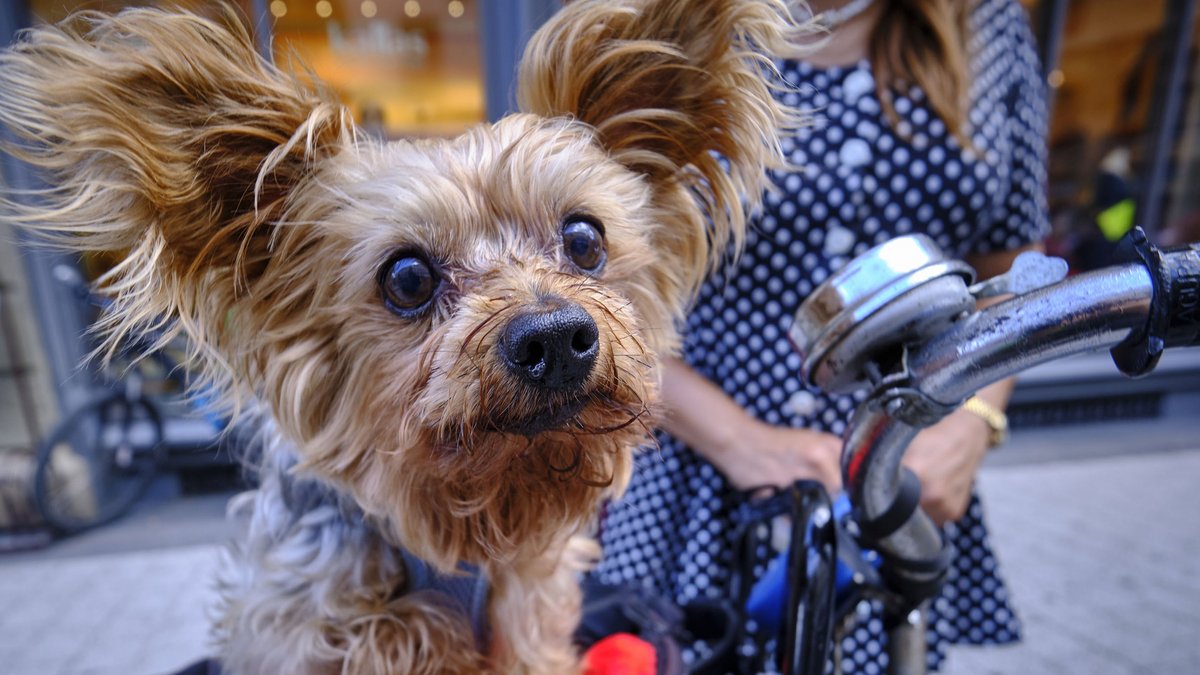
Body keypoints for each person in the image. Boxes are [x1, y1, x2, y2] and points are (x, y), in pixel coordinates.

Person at [594, 0, 1050, 672]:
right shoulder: (679, 21)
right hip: (700, 474)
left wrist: (976, 419)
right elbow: (593, 283)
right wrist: (742, 441)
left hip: (897, 481)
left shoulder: (986, 20)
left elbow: (1012, 260)